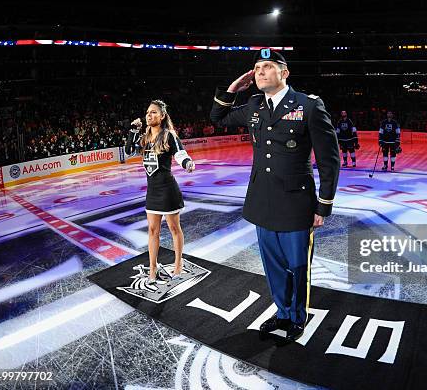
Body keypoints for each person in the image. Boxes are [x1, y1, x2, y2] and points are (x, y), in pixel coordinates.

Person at [210, 49, 339, 341]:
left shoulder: (308, 105)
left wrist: (324, 205)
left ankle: (297, 316)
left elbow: (330, 160)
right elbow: (218, 117)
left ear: (284, 73)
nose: (260, 72)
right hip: (262, 201)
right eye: (257, 68)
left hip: (295, 202)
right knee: (273, 266)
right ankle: (282, 312)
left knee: (297, 265)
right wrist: (233, 89)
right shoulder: (255, 104)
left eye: (268, 66)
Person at [125, 100, 195, 283]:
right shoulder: (144, 137)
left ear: (162, 116)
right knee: (152, 230)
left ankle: (178, 264)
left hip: (167, 190)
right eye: (148, 112)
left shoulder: (168, 135)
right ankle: (152, 269)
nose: (149, 115)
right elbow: (128, 151)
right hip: (152, 191)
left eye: (154, 112)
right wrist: (133, 130)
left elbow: (180, 153)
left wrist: (187, 163)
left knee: (174, 228)